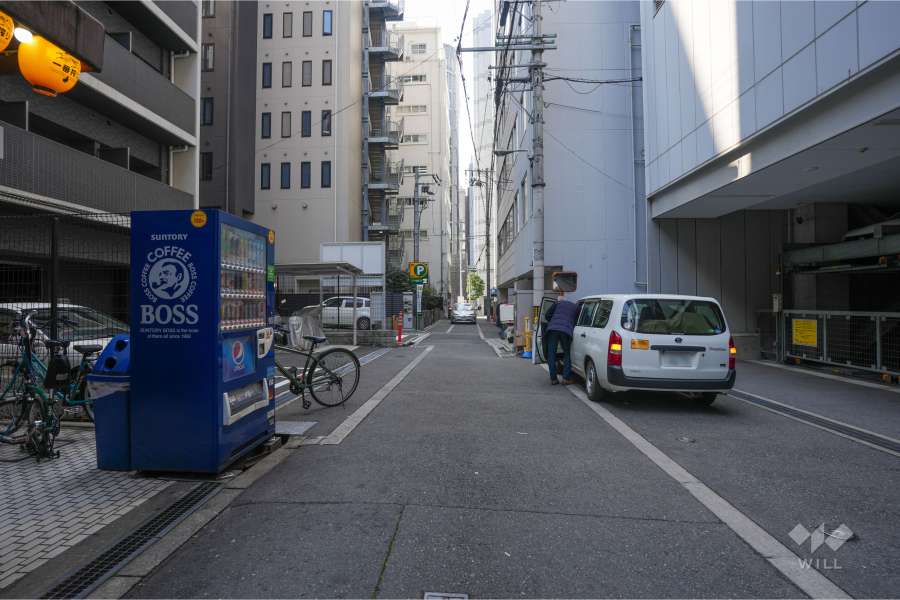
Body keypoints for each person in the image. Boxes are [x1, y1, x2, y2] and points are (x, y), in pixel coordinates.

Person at [544, 291, 579, 385]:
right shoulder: (576, 307)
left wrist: (553, 322)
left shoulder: (558, 303)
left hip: (553, 330)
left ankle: (553, 379)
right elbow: (576, 321)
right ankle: (566, 379)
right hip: (566, 331)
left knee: (551, 353)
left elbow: (547, 315)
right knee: (566, 353)